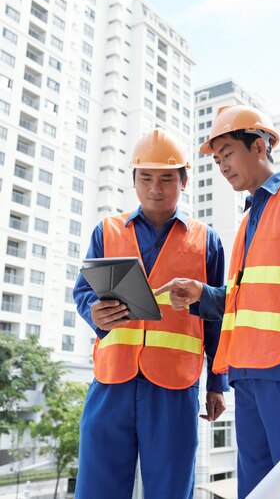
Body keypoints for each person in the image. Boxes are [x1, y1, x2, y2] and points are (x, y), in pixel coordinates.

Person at [156, 105, 280, 499]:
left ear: (260, 146)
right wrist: (203, 296)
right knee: (261, 492)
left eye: (227, 153)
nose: (222, 166)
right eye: (216, 160)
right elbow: (248, 301)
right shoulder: (248, 219)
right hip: (247, 378)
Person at [73, 127, 228, 499]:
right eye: (146, 178)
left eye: (166, 179)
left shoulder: (206, 241)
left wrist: (217, 383)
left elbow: (218, 316)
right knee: (97, 487)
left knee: (171, 489)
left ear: (184, 181)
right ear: (134, 181)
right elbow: (82, 292)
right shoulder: (107, 231)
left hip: (174, 386)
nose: (155, 188)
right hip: (112, 381)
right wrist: (94, 311)